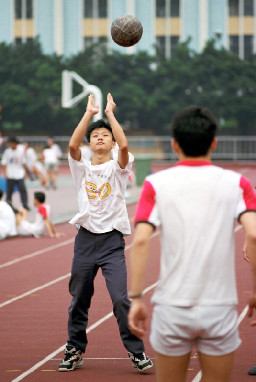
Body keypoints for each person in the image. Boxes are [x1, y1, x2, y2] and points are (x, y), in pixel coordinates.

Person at [128, 106, 256, 382]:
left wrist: (137, 297)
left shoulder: (155, 184)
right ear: (214, 142)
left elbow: (140, 241)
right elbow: (254, 235)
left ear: (174, 144)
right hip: (218, 306)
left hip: (172, 305)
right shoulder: (238, 184)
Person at [58, 93, 153, 373]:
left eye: (105, 135)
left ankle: (136, 351)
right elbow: (73, 145)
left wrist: (110, 114)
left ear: (111, 142)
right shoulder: (82, 167)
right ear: (91, 143)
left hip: (112, 241)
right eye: (95, 135)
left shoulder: (119, 167)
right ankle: (75, 348)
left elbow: (124, 145)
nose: (100, 138)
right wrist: (89, 114)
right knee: (79, 300)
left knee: (121, 298)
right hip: (85, 240)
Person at [1, 136, 30, 210]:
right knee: (9, 190)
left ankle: (24, 204)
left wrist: (25, 173)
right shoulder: (7, 151)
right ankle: (8, 203)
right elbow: (4, 163)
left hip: (19, 173)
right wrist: (5, 173)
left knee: (22, 189)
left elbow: (23, 162)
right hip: (10, 173)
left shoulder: (20, 151)